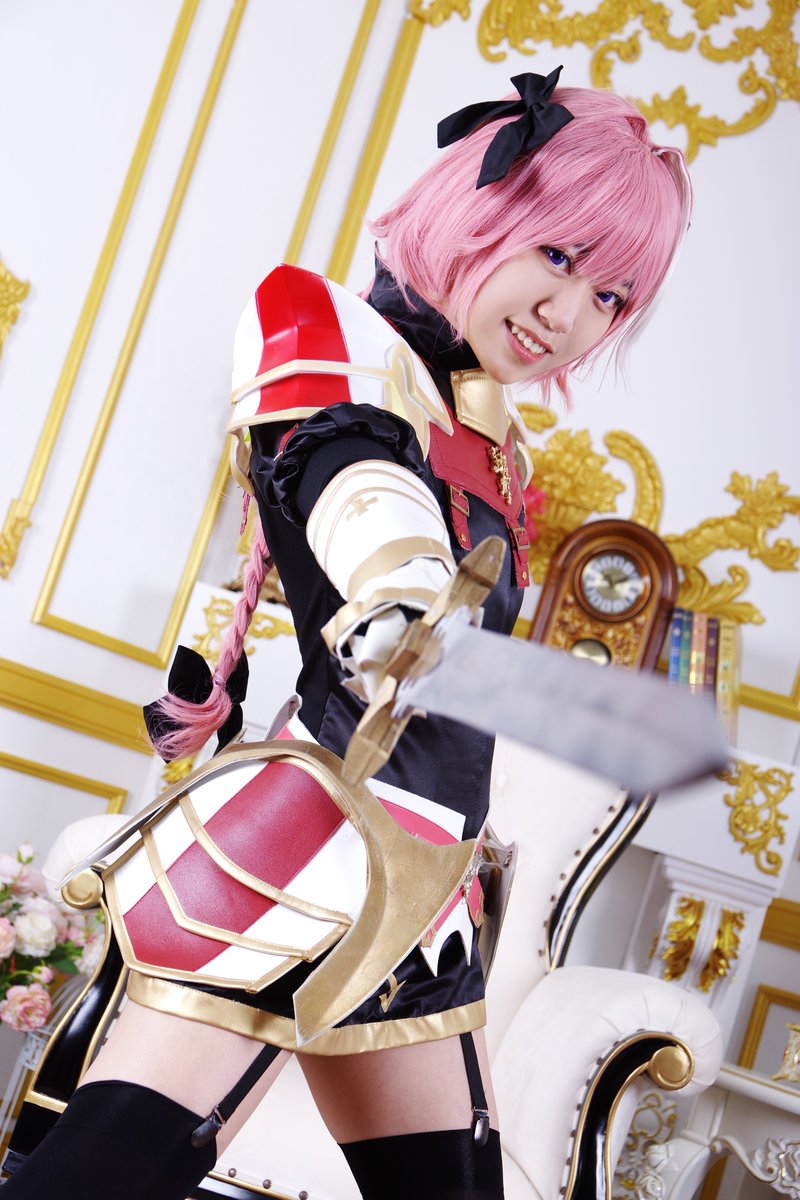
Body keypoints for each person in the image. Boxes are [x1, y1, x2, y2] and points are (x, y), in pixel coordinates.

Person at [2, 69, 690, 1200]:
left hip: (423, 887)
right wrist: (405, 604)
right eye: (557, 254)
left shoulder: (487, 431)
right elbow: (360, 495)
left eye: (608, 295)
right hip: (309, 853)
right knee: (103, 1176)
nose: (566, 314)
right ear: (479, 206)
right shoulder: (333, 334)